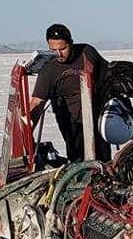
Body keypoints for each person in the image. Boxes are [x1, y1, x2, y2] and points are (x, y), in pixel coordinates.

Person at [28, 24, 111, 163]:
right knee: (78, 158)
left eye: (62, 48)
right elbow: (37, 102)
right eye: (53, 50)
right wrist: (27, 131)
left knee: (103, 157)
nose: (59, 54)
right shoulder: (48, 70)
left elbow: (107, 73)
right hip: (71, 121)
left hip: (96, 115)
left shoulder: (87, 52)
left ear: (71, 43)